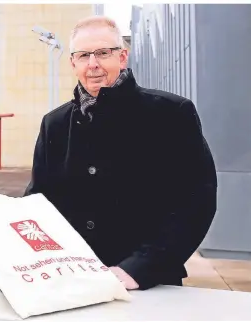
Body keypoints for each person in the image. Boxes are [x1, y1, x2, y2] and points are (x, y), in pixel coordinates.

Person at [24, 15, 217, 291]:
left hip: (149, 283)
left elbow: (197, 200)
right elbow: (38, 201)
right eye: (83, 56)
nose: (93, 64)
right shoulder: (54, 124)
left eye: (103, 53)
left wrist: (138, 269)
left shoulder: (170, 113)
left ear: (122, 56)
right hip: (71, 279)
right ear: (73, 63)